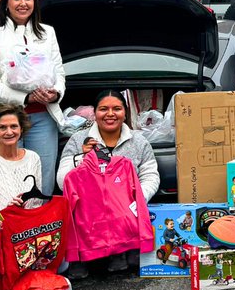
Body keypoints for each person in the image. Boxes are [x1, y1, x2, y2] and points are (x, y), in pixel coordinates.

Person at [0, 0, 66, 195]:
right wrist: (26, 99)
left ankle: (40, 226)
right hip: (3, 120)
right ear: (6, 3)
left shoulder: (47, 32)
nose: (22, 3)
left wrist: (54, 94)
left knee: (41, 181)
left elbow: (59, 72)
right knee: (3, 183)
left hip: (42, 119)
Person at [57, 90, 160, 278]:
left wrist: (135, 200)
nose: (110, 114)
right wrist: (83, 158)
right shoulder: (79, 139)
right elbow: (63, 179)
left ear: (125, 113)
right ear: (94, 113)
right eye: (104, 109)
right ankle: (82, 257)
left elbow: (151, 175)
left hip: (124, 206)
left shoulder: (139, 141)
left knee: (121, 205)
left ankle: (119, 251)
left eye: (117, 109)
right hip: (89, 208)